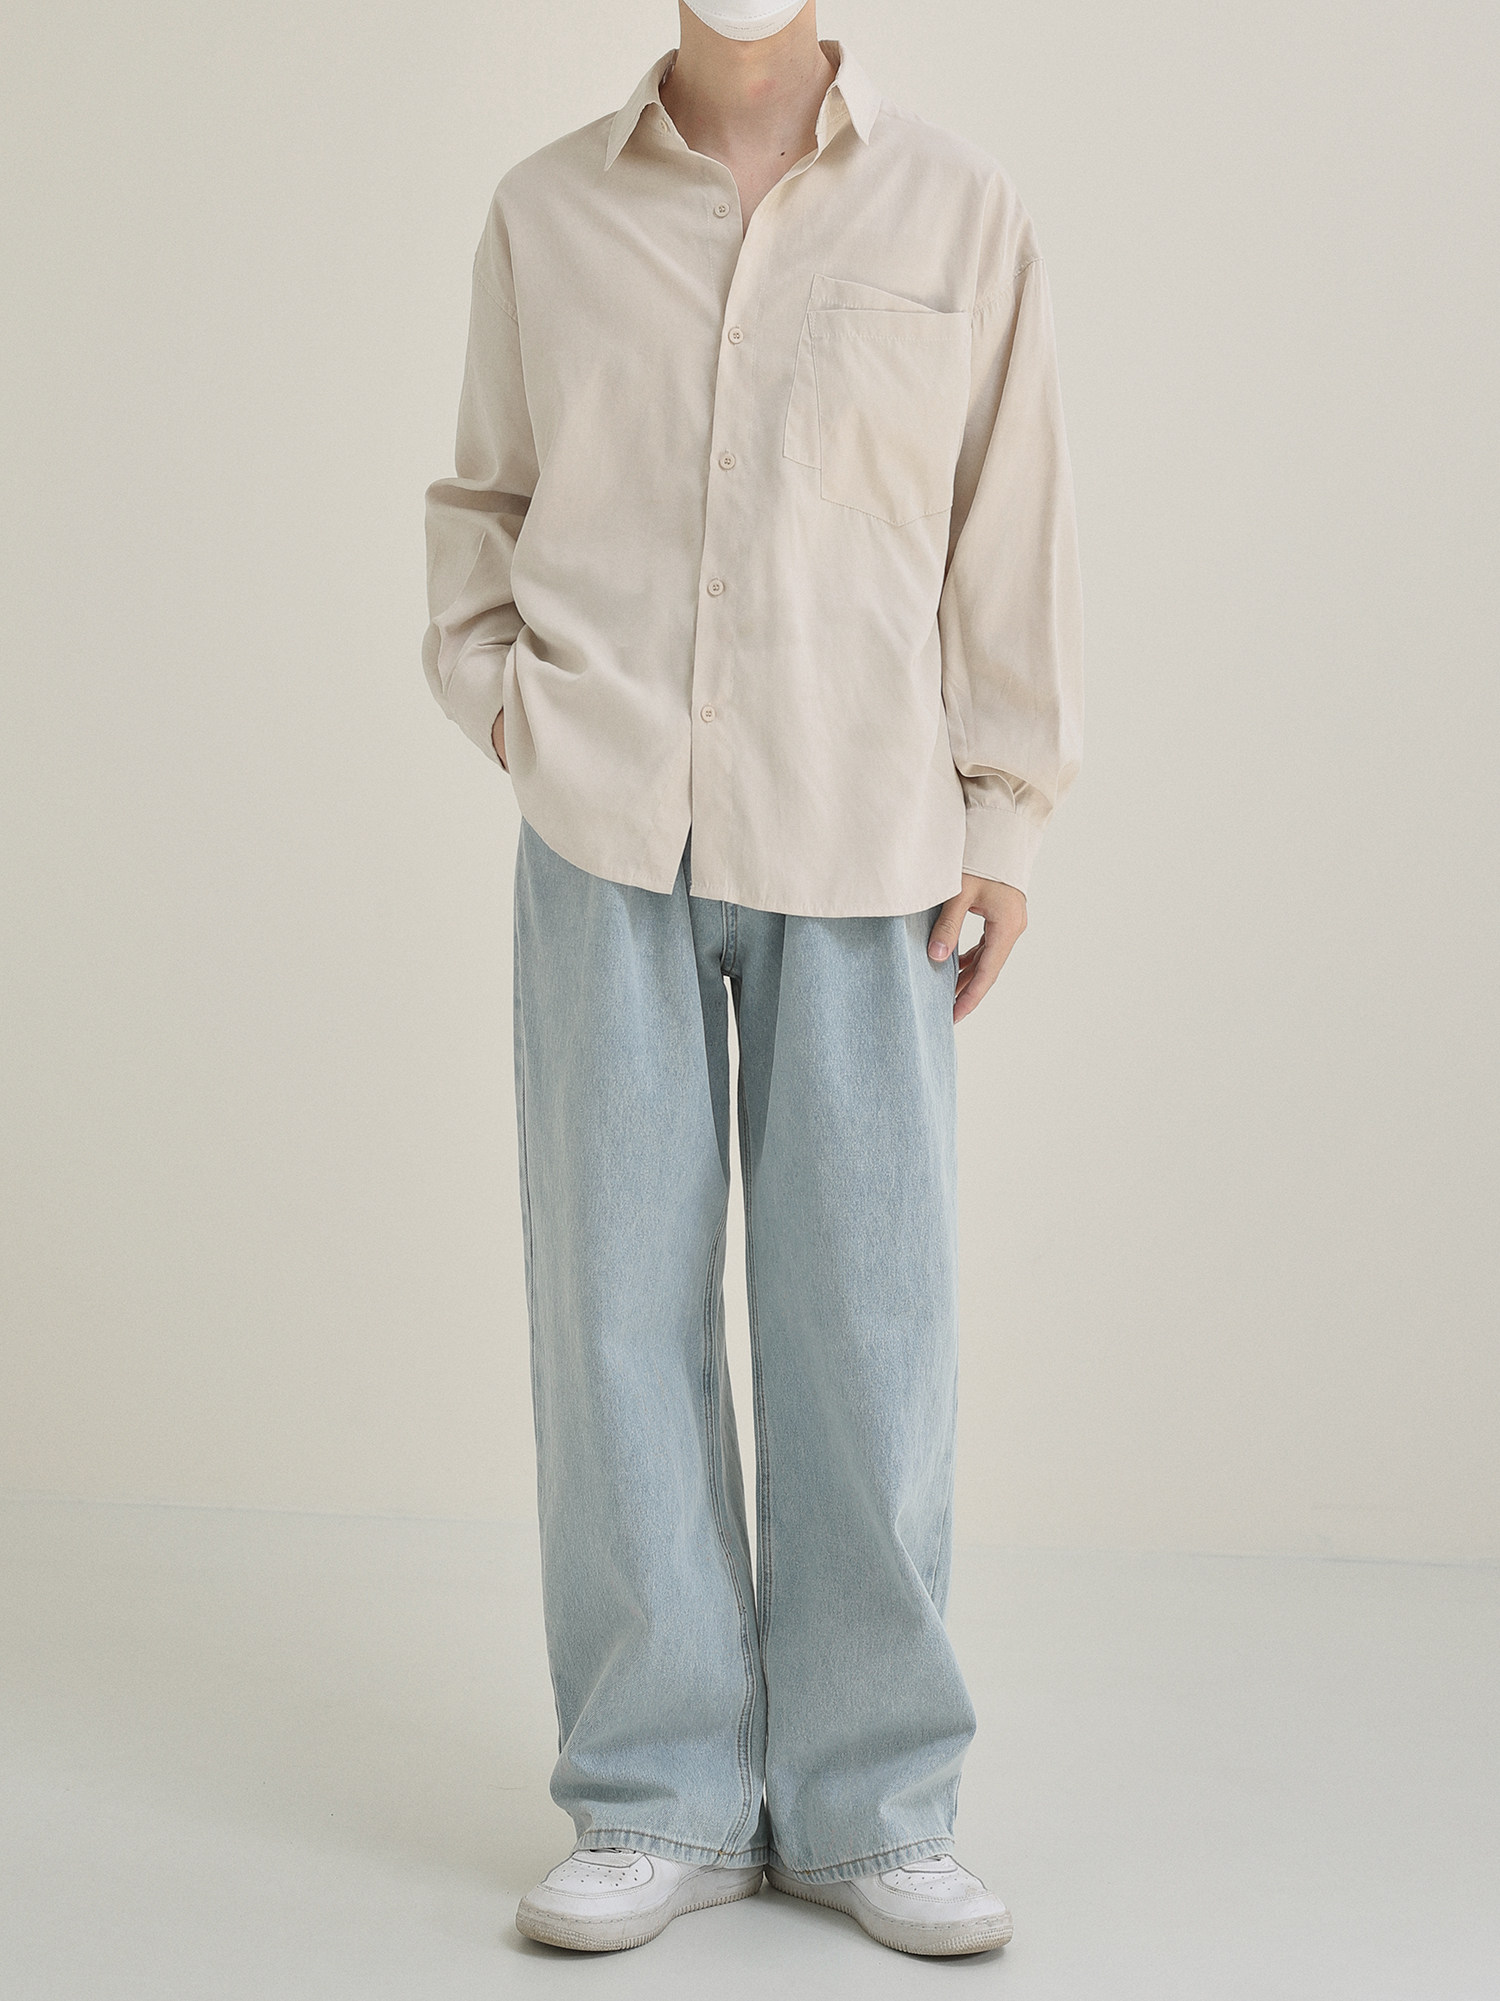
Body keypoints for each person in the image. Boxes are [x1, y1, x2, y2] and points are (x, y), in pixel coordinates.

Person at [420, 0, 1083, 1960]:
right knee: (611, 1316)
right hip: (605, 832)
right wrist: (519, 714)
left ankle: (875, 1802)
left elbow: (1009, 532)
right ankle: (658, 1792)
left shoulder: (961, 213)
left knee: (867, 1325)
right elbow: (479, 512)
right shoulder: (545, 213)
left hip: (868, 842)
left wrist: (1005, 817)